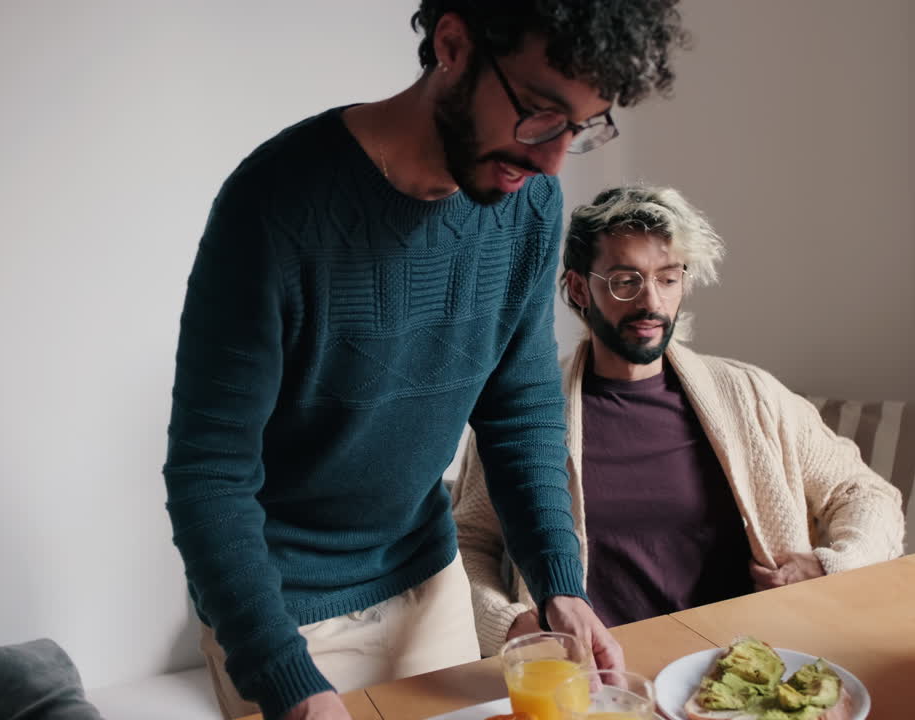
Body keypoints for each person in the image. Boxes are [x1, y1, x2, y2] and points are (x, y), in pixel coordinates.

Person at [162, 4, 689, 719]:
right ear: (453, 44)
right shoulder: (275, 205)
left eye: (580, 127)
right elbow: (209, 473)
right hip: (286, 614)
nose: (552, 159)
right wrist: (288, 680)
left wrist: (559, 584)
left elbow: (519, 412)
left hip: (430, 580)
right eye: (539, 113)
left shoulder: (529, 204)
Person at [452, 184, 906, 657]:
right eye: (625, 280)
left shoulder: (750, 395)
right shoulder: (527, 416)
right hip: (599, 677)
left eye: (668, 279)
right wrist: (511, 624)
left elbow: (865, 493)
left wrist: (835, 565)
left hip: (748, 669)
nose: (651, 301)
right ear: (580, 288)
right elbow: (469, 540)